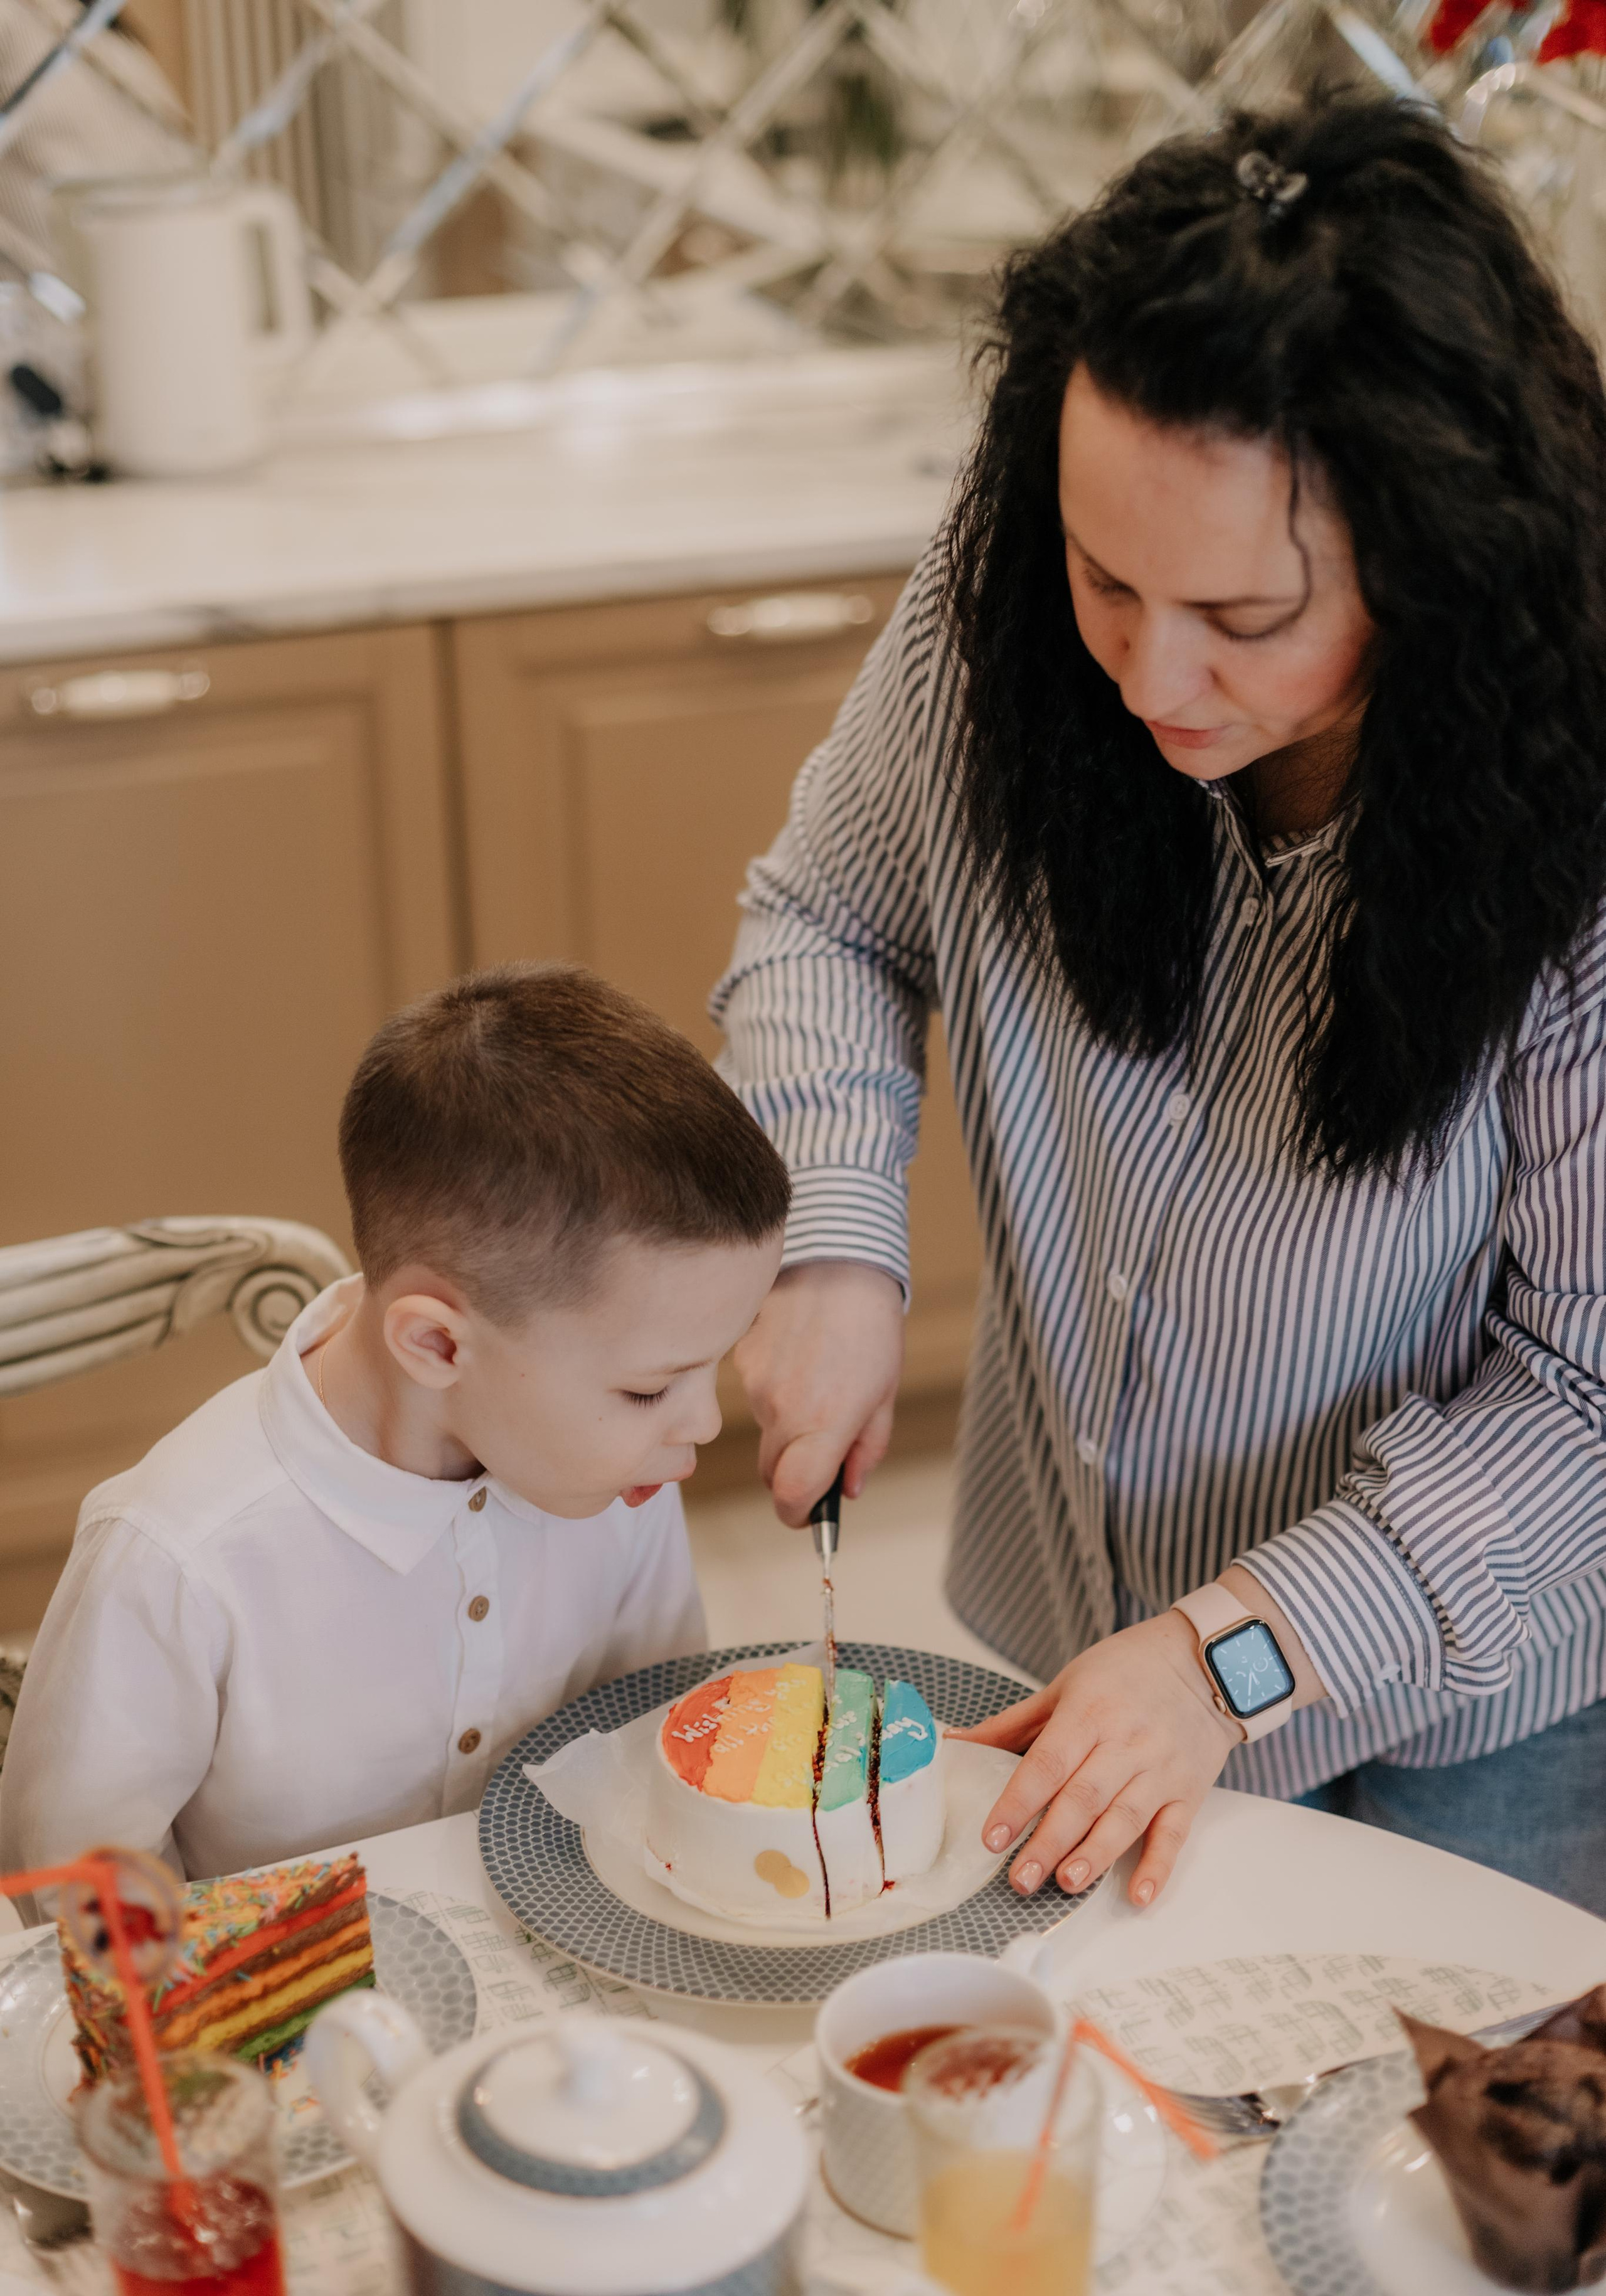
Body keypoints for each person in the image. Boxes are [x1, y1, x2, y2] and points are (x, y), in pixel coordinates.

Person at [716, 98, 1606, 1917]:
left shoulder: (1575, 832)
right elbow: (830, 912)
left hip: (1468, 1744)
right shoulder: (1015, 622)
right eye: (1106, 578)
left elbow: (1593, 1401)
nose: (1150, 673)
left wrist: (1233, 1656)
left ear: (1442, 567)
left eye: (1243, 612)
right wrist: (834, 1245)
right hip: (1065, 1610)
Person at [0, 964, 789, 1883]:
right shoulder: (175, 1561)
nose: (700, 1426)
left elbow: (656, 1740)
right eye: (652, 1389)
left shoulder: (618, 1474)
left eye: (714, 1363)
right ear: (437, 1346)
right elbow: (81, 1900)